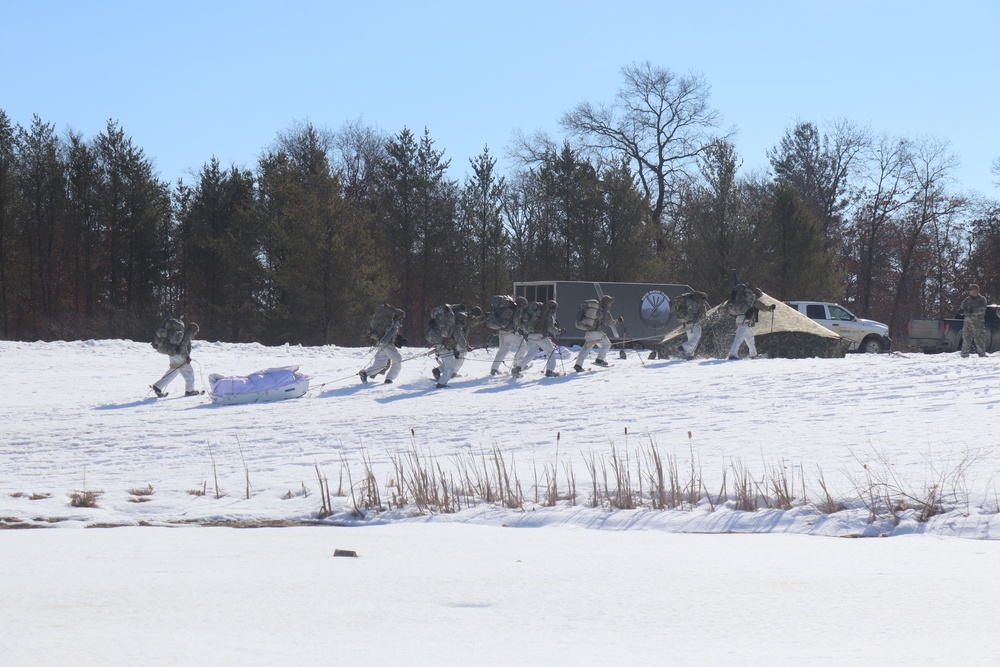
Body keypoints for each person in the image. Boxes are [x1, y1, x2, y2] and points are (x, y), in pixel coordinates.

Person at [432, 305, 483, 387]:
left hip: (444, 342)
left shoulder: (449, 322)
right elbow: (459, 336)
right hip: (448, 344)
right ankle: (443, 381)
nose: (464, 322)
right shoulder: (457, 324)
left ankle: (439, 372)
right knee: (453, 363)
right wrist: (466, 346)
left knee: (450, 361)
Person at [512, 299, 565, 378]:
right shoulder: (547, 312)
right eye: (555, 309)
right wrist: (559, 331)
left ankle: (518, 368)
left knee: (531, 354)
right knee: (550, 352)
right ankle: (550, 371)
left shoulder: (536, 311)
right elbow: (550, 328)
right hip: (540, 336)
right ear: (553, 307)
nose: (555, 311)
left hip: (530, 335)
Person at [151, 318, 200, 397]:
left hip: (172, 353)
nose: (195, 334)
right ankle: (189, 391)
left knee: (173, 371)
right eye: (196, 332)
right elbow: (183, 347)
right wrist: (187, 357)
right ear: (193, 330)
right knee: (189, 372)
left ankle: (158, 387)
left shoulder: (182, 333)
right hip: (179, 356)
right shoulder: (188, 334)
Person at [574, 294, 622, 372]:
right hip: (597, 333)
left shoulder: (595, 309)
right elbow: (610, 323)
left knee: (586, 348)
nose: (610, 305)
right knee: (607, 344)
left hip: (588, 331)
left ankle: (578, 365)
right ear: (607, 303)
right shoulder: (605, 311)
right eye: (610, 303)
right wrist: (618, 321)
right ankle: (599, 360)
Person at [727, 284, 775, 360]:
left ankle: (753, 354)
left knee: (750, 338)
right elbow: (762, 307)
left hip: (743, 320)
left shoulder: (744, 299)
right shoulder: (752, 299)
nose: (759, 297)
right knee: (739, 338)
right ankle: (732, 354)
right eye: (759, 296)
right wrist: (770, 308)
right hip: (744, 321)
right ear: (757, 294)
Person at [360, 307, 406, 384]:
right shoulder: (393, 323)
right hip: (387, 345)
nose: (402, 318)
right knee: (397, 360)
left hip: (381, 344)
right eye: (401, 316)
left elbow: (389, 333)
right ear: (397, 315)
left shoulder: (390, 322)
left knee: (380, 364)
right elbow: (389, 333)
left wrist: (397, 339)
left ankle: (365, 373)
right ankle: (389, 379)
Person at [491, 296, 528, 375]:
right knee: (523, 345)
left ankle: (494, 369)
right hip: (509, 332)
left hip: (501, 331)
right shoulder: (518, 309)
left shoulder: (508, 308)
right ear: (522, 304)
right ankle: (517, 366)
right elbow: (515, 320)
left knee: (503, 350)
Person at [674, 291, 709, 360]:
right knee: (696, 338)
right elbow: (703, 315)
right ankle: (683, 347)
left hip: (687, 323)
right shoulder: (699, 303)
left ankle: (689, 354)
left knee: (691, 339)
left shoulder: (690, 300)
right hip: (694, 323)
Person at [960, 283, 988, 358]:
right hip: (967, 323)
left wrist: (972, 312)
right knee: (966, 338)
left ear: (975, 290)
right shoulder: (967, 300)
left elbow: (982, 310)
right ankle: (964, 355)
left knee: (979, 339)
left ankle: (982, 355)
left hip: (978, 324)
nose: (969, 291)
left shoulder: (982, 299)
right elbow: (963, 308)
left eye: (970, 290)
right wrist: (963, 311)